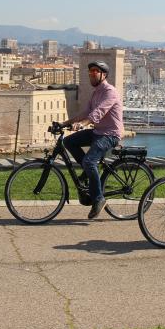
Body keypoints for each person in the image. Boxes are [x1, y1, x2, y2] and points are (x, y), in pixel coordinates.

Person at [59, 60, 123, 219]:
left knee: (89, 161)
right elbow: (86, 111)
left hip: (110, 134)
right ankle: (89, 173)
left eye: (95, 71)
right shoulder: (96, 92)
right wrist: (65, 123)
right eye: (90, 72)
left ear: (103, 74)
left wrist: (82, 125)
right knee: (68, 141)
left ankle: (99, 199)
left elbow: (98, 113)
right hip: (98, 132)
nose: (91, 74)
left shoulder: (110, 92)